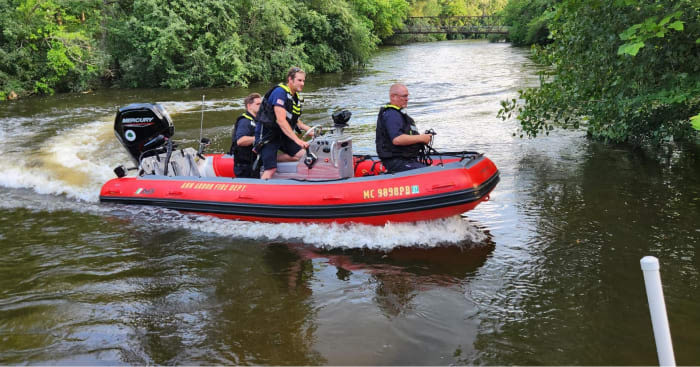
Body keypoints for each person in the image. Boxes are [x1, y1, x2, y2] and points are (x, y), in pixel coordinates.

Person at [254, 67, 314, 180]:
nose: (302, 83)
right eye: (299, 80)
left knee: (301, 155)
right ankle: (262, 188)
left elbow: (293, 118)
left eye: (303, 81)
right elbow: (281, 120)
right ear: (290, 80)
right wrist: (297, 140)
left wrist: (307, 128)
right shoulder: (279, 93)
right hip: (268, 135)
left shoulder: (294, 96)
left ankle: (268, 159)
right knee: (270, 169)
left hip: (282, 133)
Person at [375, 83, 433, 173]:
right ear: (393, 97)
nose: (407, 99)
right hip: (397, 162)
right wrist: (421, 138)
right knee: (430, 172)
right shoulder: (392, 115)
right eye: (404, 96)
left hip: (406, 159)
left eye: (407, 96)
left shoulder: (398, 114)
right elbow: (397, 139)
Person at [230, 93, 262, 178]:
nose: (261, 106)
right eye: (258, 104)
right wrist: (259, 138)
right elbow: (240, 141)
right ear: (249, 106)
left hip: (254, 162)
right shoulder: (245, 121)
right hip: (244, 167)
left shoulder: (258, 120)